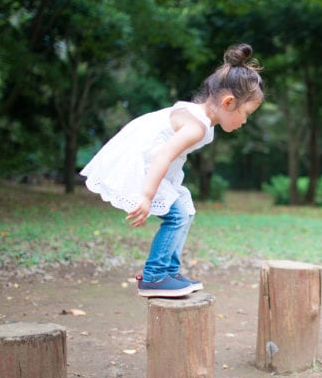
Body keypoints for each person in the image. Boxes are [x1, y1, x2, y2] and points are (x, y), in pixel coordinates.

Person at [80, 43, 264, 297]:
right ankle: (154, 276)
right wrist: (146, 196)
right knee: (176, 215)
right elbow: (163, 154)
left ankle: (169, 272)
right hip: (146, 167)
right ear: (229, 102)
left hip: (154, 166)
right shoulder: (196, 125)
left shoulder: (200, 120)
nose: (244, 121)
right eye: (246, 113)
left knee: (185, 210)